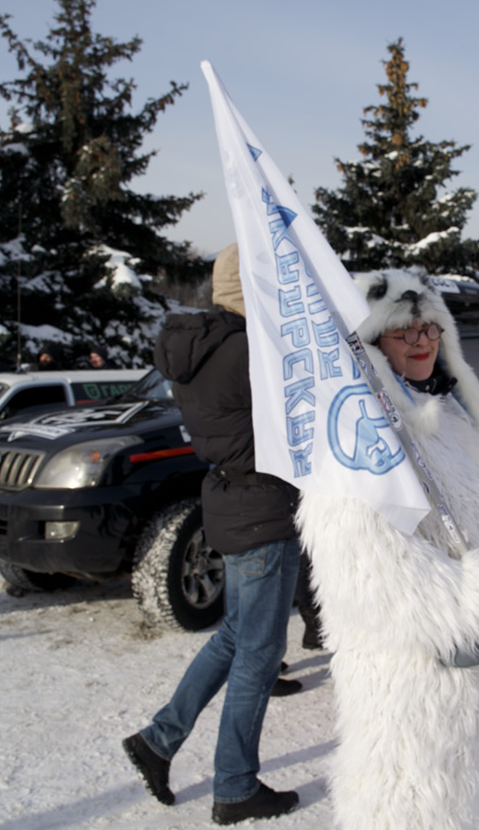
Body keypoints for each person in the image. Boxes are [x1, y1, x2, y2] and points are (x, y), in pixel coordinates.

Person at [296, 269, 479, 830]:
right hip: (410, 665)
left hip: (469, 662)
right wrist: (471, 607)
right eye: (403, 332)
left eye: (431, 329)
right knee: (399, 794)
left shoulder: (448, 419)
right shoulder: (358, 430)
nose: (421, 343)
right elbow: (358, 558)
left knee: (453, 792)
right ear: (371, 342)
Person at [123, 243, 301, 825]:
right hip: (263, 507)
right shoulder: (252, 350)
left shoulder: (201, 344)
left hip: (230, 499)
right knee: (259, 651)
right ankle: (234, 786)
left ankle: (158, 740)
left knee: (232, 637)